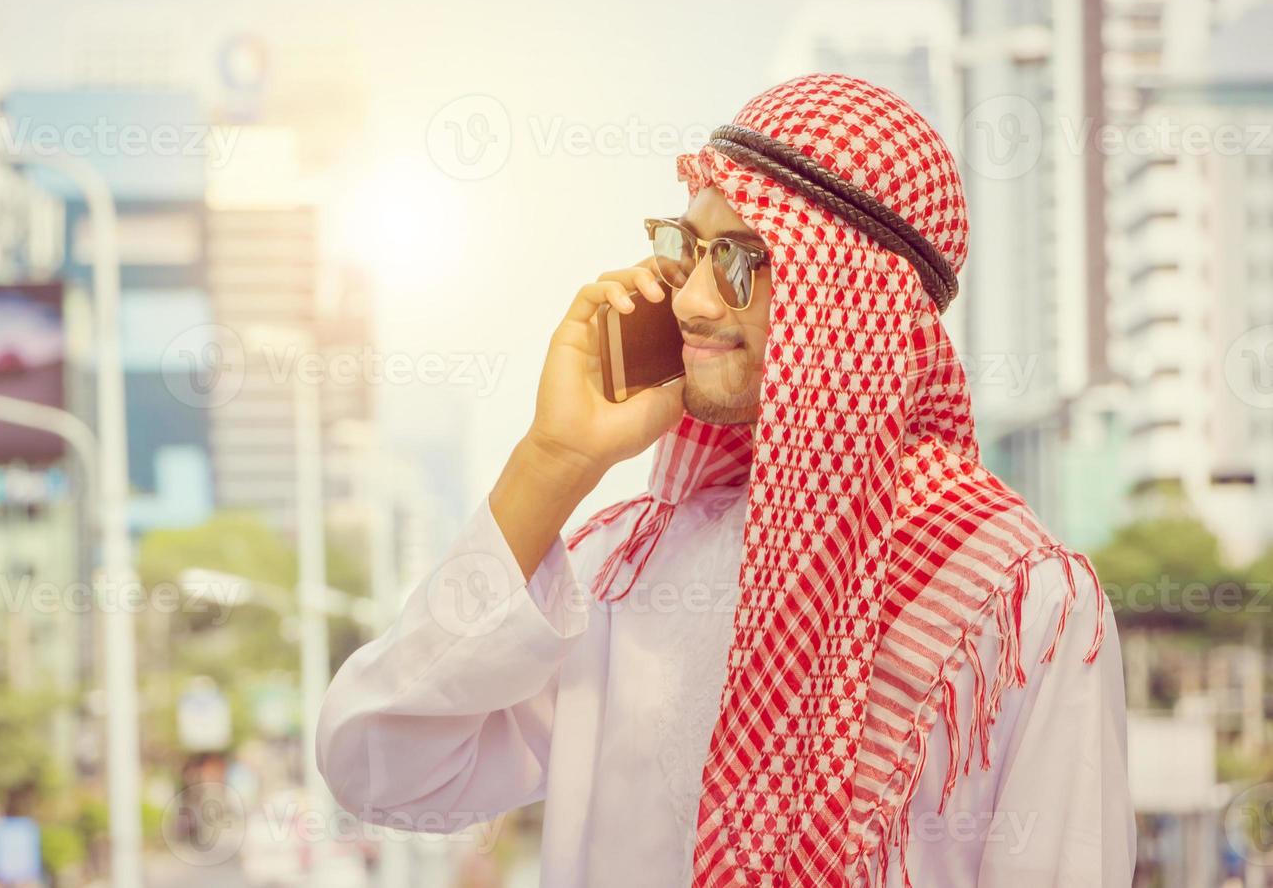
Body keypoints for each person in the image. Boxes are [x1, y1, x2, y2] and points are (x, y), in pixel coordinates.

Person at [316, 74, 1136, 887]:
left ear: (854, 298)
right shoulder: (621, 571)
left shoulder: (1019, 602)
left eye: (744, 262)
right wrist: (553, 459)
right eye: (689, 251)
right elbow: (377, 765)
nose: (691, 302)